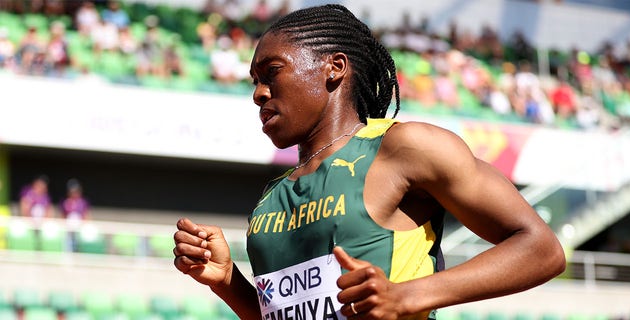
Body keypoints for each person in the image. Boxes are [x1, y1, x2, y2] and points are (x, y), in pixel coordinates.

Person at [173, 5, 566, 320]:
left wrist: (406, 297)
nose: (259, 93)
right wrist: (227, 282)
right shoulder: (271, 199)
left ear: (335, 67)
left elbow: (541, 250)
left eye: (271, 73)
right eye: (254, 81)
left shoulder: (406, 147)